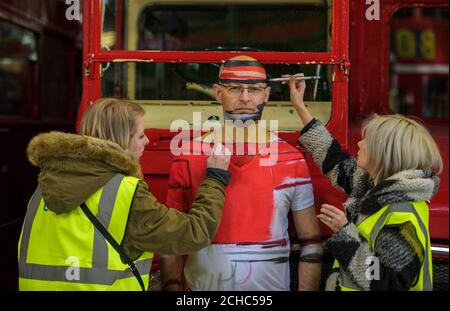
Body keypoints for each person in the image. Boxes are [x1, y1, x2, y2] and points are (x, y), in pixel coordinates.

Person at [18, 98, 231, 291]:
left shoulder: (42, 189)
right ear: (121, 140)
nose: (147, 141)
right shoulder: (124, 192)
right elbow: (194, 233)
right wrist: (215, 178)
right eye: (140, 135)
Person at [160, 56, 323, 291]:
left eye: (254, 89)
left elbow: (312, 244)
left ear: (266, 94)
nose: (245, 98)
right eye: (234, 88)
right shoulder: (188, 157)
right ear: (218, 93)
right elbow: (171, 241)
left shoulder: (291, 160)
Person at [286, 73, 443, 290]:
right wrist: (300, 106)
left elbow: (387, 282)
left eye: (367, 141)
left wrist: (345, 233)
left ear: (383, 154)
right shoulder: (375, 188)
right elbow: (333, 159)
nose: (359, 144)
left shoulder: (401, 213)